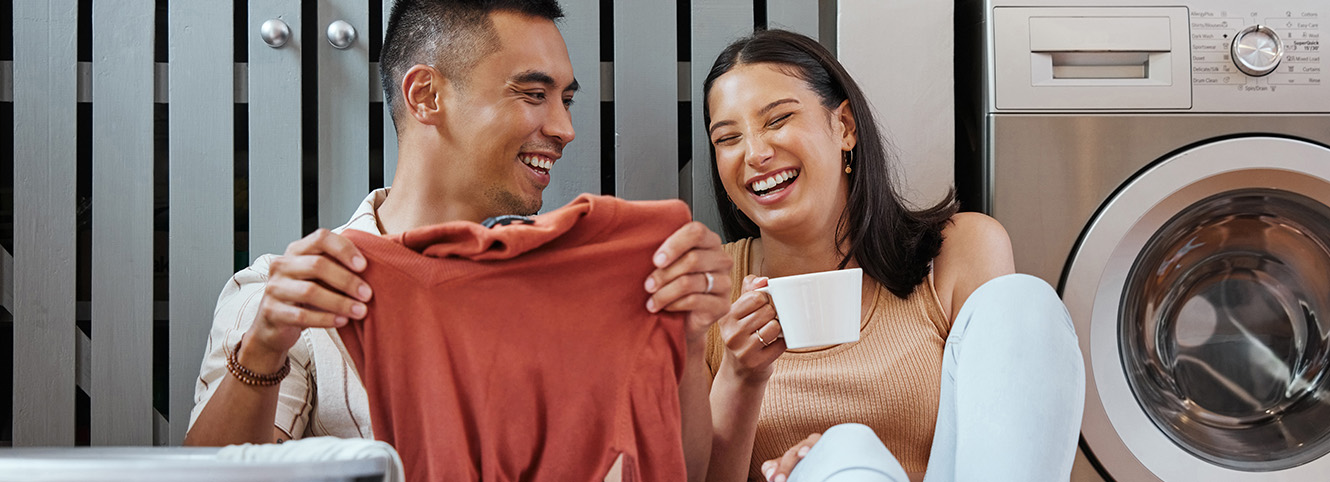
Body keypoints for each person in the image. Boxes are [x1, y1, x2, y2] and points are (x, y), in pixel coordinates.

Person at [184, 1, 730, 479]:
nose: (565, 128)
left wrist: (683, 341)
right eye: (534, 93)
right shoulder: (287, 296)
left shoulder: (588, 288)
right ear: (426, 95)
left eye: (566, 99)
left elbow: (676, 474)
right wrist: (262, 347)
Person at [700, 30, 1084, 482]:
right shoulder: (706, 292)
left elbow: (1008, 426)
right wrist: (739, 375)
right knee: (845, 454)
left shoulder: (958, 252)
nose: (756, 153)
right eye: (728, 138)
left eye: (778, 119)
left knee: (1024, 301)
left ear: (844, 127)